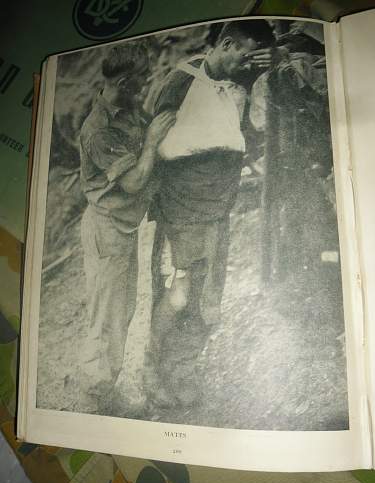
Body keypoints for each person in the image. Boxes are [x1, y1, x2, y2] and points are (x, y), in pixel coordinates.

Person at [146, 20, 275, 408]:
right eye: (246, 56)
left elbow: (248, 134)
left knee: (206, 297)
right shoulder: (180, 82)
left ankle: (183, 369)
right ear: (227, 43)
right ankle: (153, 366)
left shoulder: (242, 81)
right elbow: (153, 144)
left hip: (218, 207)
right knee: (178, 294)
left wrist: (264, 71)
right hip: (182, 208)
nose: (248, 65)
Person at [78, 43, 175, 415]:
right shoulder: (99, 130)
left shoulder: (127, 107)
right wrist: (151, 142)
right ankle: (95, 403)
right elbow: (133, 181)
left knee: (120, 311)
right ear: (122, 82)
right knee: (107, 318)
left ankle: (104, 395)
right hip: (108, 229)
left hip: (122, 227)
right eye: (140, 81)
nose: (145, 86)